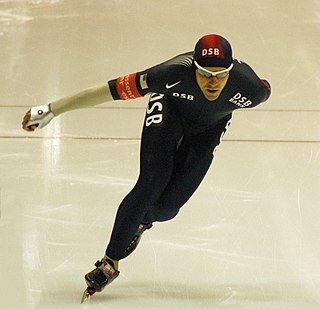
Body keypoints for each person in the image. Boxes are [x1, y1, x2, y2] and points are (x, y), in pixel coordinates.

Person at [22, 34, 271, 301]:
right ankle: (110, 261)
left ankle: (141, 222)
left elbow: (265, 85)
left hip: (209, 129)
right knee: (153, 179)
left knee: (166, 209)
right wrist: (51, 109)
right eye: (203, 73)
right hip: (169, 110)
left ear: (231, 70)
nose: (212, 82)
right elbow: (108, 91)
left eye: (220, 74)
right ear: (193, 68)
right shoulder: (169, 74)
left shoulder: (252, 90)